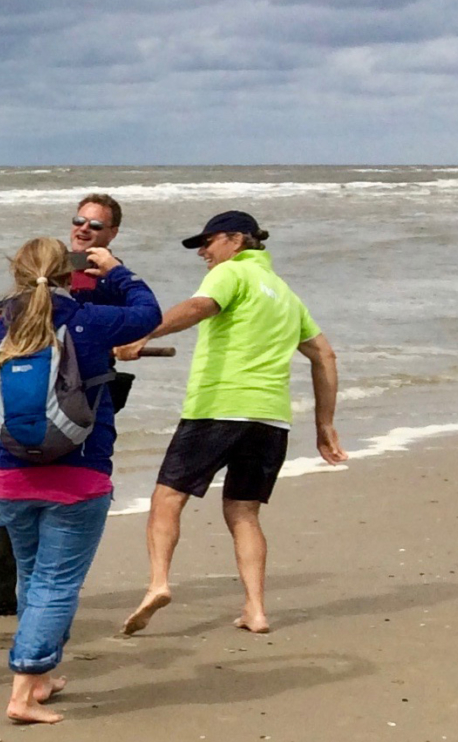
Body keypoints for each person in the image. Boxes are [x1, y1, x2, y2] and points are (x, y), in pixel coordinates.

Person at [120, 211, 344, 636]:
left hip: (219, 407)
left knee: (168, 497)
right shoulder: (285, 293)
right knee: (244, 513)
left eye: (208, 242)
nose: (203, 252)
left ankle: (158, 583)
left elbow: (198, 307)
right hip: (271, 419)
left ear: (236, 240)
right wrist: (324, 424)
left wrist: (144, 334)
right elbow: (324, 356)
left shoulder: (232, 275)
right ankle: (256, 610)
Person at [0, 239, 159, 724]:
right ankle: (22, 688)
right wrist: (118, 272)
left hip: (12, 477)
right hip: (78, 476)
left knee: (33, 577)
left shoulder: (1, 326)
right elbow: (148, 314)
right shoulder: (88, 322)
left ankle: (40, 678)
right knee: (56, 584)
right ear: (69, 273)